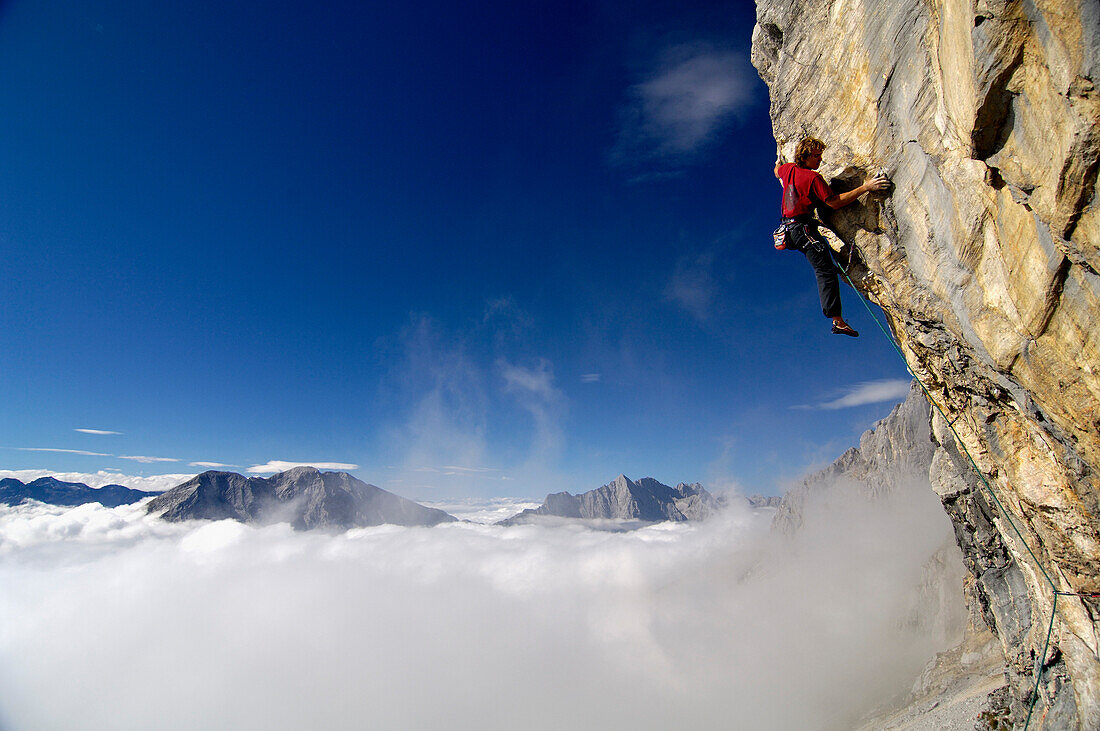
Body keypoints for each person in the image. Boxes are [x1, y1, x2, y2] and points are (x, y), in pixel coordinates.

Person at [774, 137, 889, 337]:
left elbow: (777, 171)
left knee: (824, 265)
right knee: (825, 270)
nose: (820, 159)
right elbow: (834, 203)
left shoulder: (788, 169)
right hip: (803, 230)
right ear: (807, 156)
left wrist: (777, 161)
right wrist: (866, 187)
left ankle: (838, 318)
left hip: (790, 230)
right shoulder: (813, 178)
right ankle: (837, 321)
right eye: (817, 156)